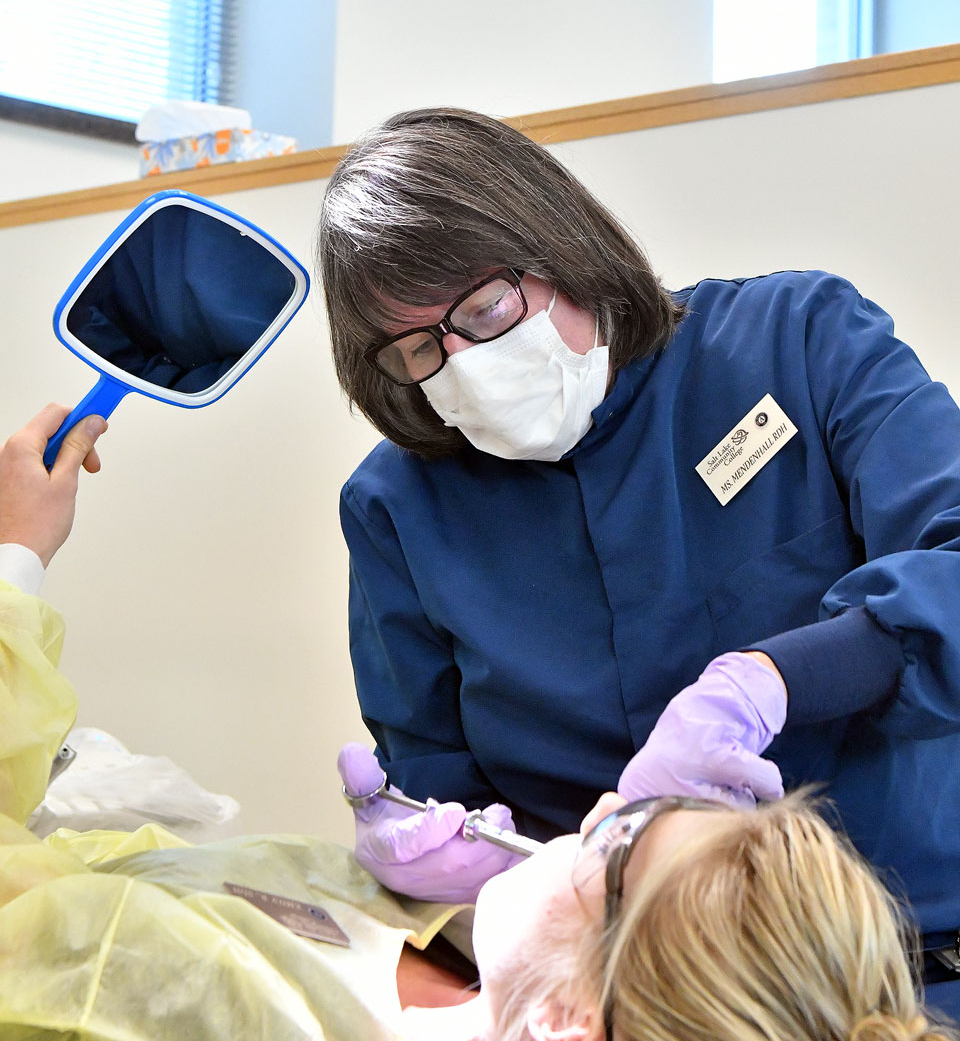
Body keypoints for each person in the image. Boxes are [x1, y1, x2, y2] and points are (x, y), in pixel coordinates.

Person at [0, 407, 956, 1041]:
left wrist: (14, 557)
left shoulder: (198, 1000)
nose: (595, 809)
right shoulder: (473, 973)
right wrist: (448, 904)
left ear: (569, 1020)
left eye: (617, 841)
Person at [318, 106, 960, 1019]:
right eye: (420, 349)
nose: (466, 363)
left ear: (560, 245)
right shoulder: (397, 509)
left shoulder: (796, 342)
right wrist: (450, 866)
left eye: (486, 309)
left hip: (921, 960)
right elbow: (438, 779)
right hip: (651, 1004)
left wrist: (770, 682)